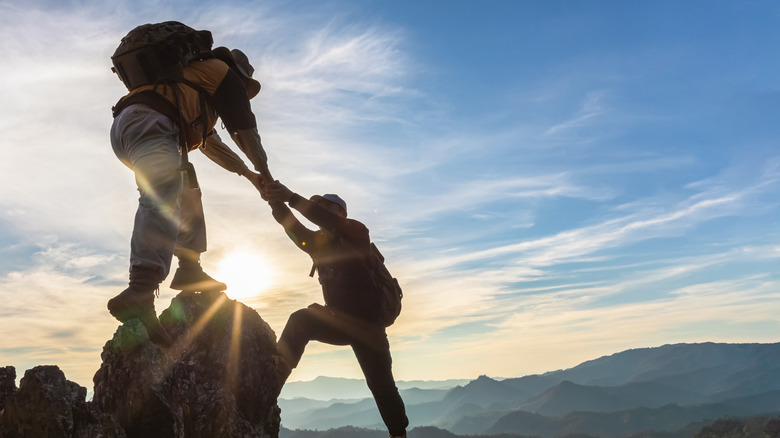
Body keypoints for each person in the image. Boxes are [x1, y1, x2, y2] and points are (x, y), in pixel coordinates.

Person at [107, 41, 272, 347]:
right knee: (163, 196)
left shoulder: (192, 83)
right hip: (150, 124)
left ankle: (190, 269)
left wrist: (250, 176)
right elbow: (245, 130)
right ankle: (141, 288)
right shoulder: (222, 74)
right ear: (240, 76)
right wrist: (266, 174)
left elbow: (210, 144)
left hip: (133, 127)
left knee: (187, 190)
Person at [263, 181, 409, 438]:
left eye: (327, 207)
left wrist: (292, 197)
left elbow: (321, 218)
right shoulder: (317, 244)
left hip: (368, 327)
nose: (321, 210)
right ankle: (275, 375)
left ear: (342, 213)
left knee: (381, 385)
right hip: (339, 321)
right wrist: (273, 198)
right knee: (301, 320)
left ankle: (398, 433)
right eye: (319, 206)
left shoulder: (357, 233)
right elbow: (291, 225)